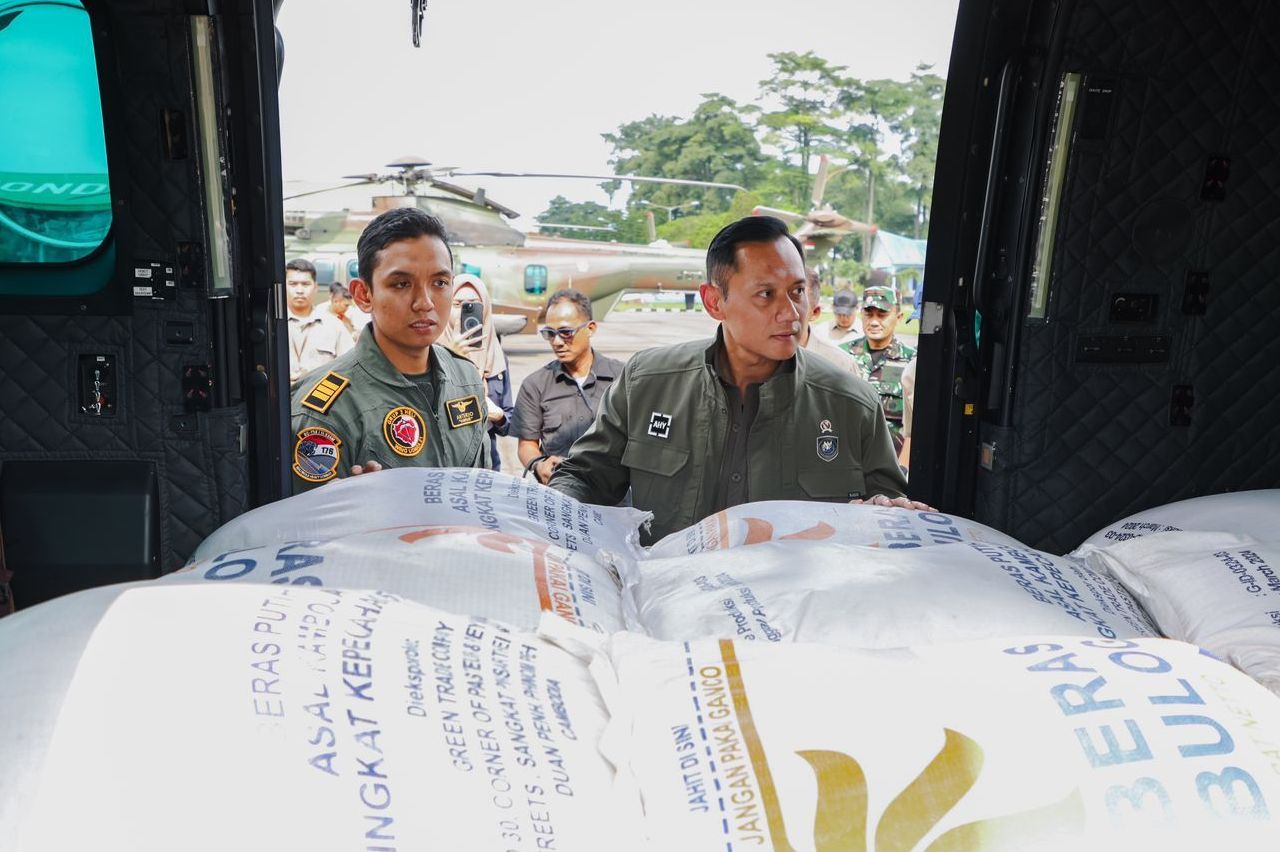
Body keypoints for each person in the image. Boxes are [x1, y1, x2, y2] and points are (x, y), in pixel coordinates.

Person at [549, 215, 926, 544]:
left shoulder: (851, 404)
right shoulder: (647, 383)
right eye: (766, 294)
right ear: (715, 302)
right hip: (665, 606)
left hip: (790, 613)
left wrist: (884, 508)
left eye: (796, 291)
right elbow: (584, 478)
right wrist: (549, 521)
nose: (790, 313)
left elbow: (886, 509)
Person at [288, 208, 490, 493]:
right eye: (401, 284)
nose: (425, 302)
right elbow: (306, 527)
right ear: (363, 294)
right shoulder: (324, 412)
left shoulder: (465, 378)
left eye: (440, 283)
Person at [513, 289, 625, 484]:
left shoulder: (621, 378)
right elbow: (527, 444)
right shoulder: (535, 385)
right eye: (549, 333)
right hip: (559, 495)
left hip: (614, 497)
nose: (556, 342)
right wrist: (539, 465)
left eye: (565, 332)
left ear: (590, 328)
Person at [441, 274, 514, 471]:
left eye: (473, 304)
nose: (464, 311)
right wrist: (451, 358)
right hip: (446, 460)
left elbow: (509, 422)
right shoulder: (430, 353)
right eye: (457, 305)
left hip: (487, 460)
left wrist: (497, 416)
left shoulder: (497, 357)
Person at [841, 285, 918, 456]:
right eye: (868, 314)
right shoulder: (841, 356)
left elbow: (915, 426)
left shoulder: (912, 363)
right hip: (847, 458)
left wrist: (903, 468)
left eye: (882, 314)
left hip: (891, 463)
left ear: (898, 317)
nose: (874, 322)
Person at [286, 258, 354, 386]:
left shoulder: (334, 326)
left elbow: (350, 369)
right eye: (293, 284)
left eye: (305, 284)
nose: (299, 290)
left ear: (316, 287)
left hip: (321, 402)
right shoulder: (273, 325)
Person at [799, 268, 860, 374]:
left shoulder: (841, 363)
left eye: (847, 314)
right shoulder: (821, 330)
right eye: (840, 313)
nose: (843, 318)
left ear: (815, 312)